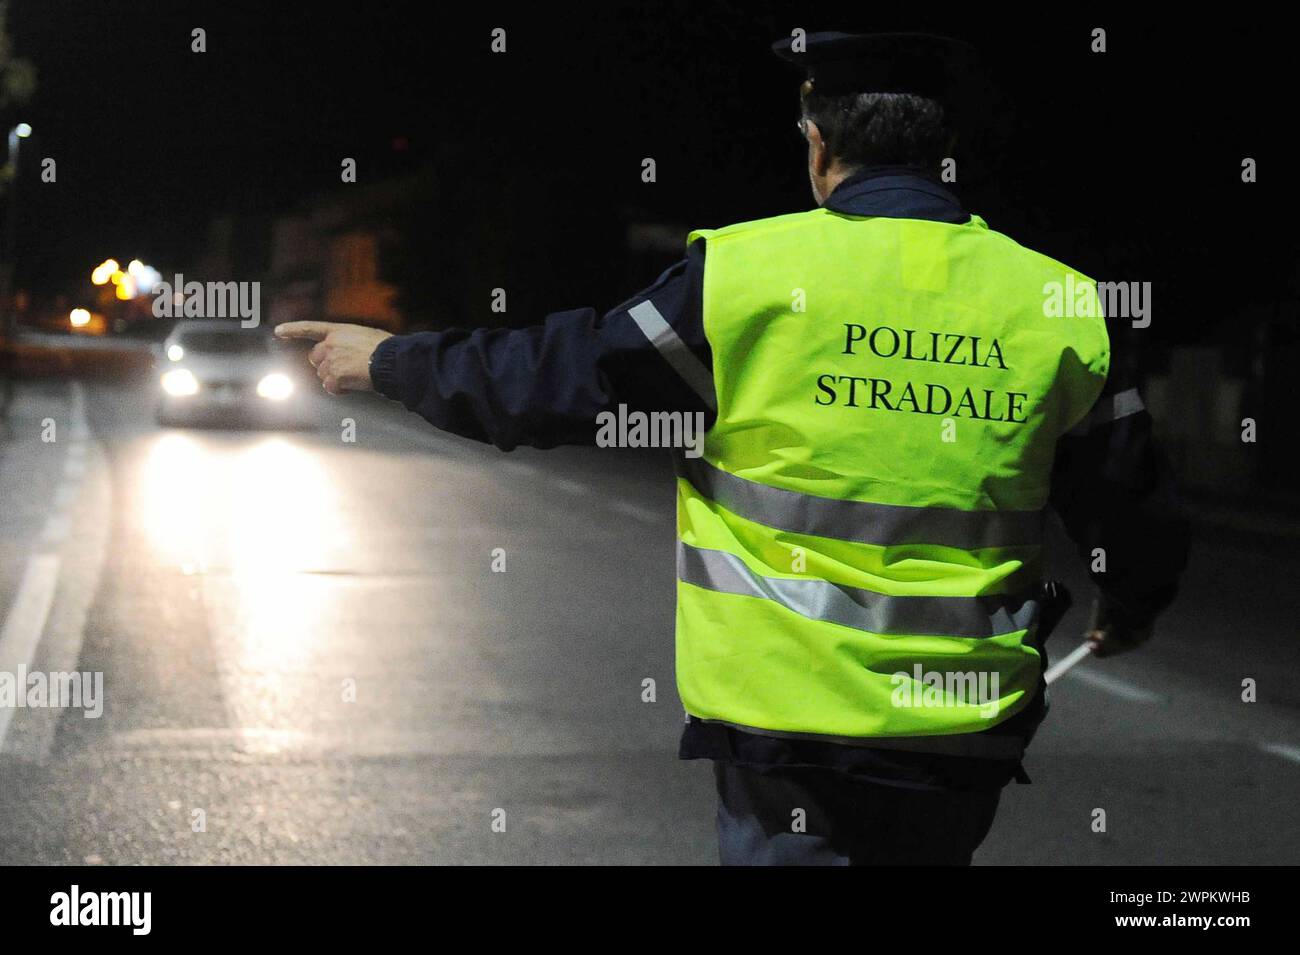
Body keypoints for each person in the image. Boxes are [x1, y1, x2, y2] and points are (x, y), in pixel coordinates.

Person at [276, 31, 1188, 866]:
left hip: (788, 731)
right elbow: (1126, 501)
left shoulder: (748, 279)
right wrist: (1133, 605)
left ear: (817, 144)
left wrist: (391, 360)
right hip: (961, 735)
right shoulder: (1063, 305)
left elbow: (562, 377)